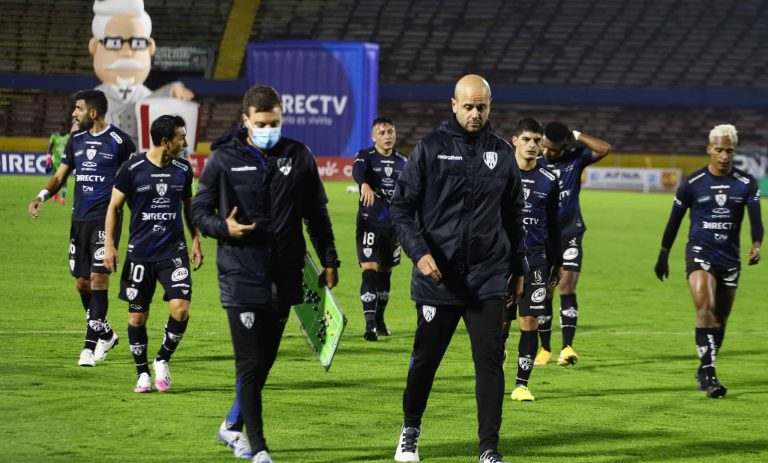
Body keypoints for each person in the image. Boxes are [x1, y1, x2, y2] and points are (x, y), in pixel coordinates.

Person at [192, 84, 340, 463]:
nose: (268, 129)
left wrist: (330, 258)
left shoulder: (298, 156)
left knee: (264, 362)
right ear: (246, 121)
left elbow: (316, 214)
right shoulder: (223, 160)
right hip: (241, 275)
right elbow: (199, 211)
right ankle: (259, 449)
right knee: (249, 363)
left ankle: (231, 424)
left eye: (274, 122)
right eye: (261, 123)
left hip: (286, 273)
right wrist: (223, 229)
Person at [390, 74, 528, 463]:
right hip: (439, 279)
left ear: (490, 106)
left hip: (487, 276)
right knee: (425, 361)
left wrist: (518, 269)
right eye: (467, 106)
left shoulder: (501, 153)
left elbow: (514, 215)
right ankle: (410, 431)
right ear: (453, 105)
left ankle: (488, 448)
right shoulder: (430, 148)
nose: (474, 113)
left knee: (489, 361)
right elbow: (401, 208)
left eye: (481, 106)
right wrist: (419, 253)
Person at [28, 89, 135, 366]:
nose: (74, 113)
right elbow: (60, 176)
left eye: (78, 108)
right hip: (79, 220)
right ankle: (107, 334)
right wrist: (41, 196)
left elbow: (131, 183)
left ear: (93, 112)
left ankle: (89, 347)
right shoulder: (75, 140)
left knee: (99, 279)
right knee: (81, 283)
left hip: (106, 219)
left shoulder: (121, 142)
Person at [655, 124, 762, 399]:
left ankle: (705, 367)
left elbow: (756, 220)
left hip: (729, 258)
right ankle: (711, 374)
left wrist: (757, 244)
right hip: (700, 254)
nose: (725, 155)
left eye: (729, 150)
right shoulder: (692, 183)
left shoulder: (746, 183)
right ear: (709, 150)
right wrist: (663, 256)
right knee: (704, 308)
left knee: (720, 320)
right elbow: (673, 222)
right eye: (719, 150)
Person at [103, 115, 203, 393]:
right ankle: (142, 373)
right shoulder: (132, 168)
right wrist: (109, 245)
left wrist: (196, 239)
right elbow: (114, 207)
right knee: (137, 318)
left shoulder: (183, 168)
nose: (185, 142)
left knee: (180, 309)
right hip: (140, 255)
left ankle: (162, 360)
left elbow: (189, 206)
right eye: (181, 137)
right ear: (165, 141)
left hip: (174, 252)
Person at [536, 121, 611, 367]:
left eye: (553, 149)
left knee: (566, 286)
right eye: (544, 146)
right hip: (544, 236)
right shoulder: (536, 161)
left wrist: (577, 134)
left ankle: (567, 347)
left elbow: (604, 148)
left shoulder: (575, 158)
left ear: (564, 145)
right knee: (545, 290)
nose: (547, 152)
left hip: (570, 233)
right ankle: (544, 348)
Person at [503, 118, 562, 402]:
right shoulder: (501, 174)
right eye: (526, 139)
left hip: (536, 260)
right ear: (515, 140)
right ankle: (497, 359)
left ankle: (521, 385)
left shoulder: (549, 181)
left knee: (529, 321)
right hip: (501, 260)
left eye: (537, 141)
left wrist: (557, 263)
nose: (532, 145)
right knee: (501, 323)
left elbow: (553, 226)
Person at [88, 0, 194, 146]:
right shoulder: (95, 98)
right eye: (114, 43)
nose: (126, 53)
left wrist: (172, 89)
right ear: (95, 47)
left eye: (137, 43)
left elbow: (151, 102)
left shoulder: (144, 96)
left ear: (150, 48)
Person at [352, 116, 407, 340]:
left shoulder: (404, 161)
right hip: (370, 223)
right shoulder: (365, 156)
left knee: (385, 276)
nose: (387, 136)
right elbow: (358, 173)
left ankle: (381, 319)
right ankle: (370, 324)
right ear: (373, 136)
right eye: (382, 132)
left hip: (394, 227)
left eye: (390, 132)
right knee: (370, 272)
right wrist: (364, 184)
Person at [46, 119, 78, 205]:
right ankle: (55, 193)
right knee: (55, 179)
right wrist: (48, 157)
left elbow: (73, 148)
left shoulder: (68, 137)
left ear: (66, 128)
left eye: (63, 127)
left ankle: (63, 198)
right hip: (55, 161)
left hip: (65, 162)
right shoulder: (54, 136)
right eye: (60, 127)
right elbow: (50, 147)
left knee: (64, 180)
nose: (61, 129)